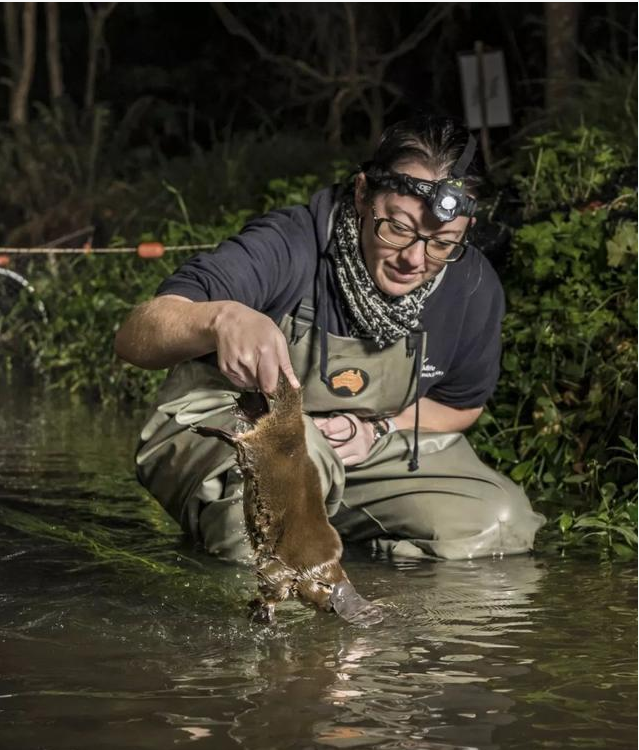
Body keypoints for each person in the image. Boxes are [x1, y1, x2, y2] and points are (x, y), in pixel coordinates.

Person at [114, 115, 545, 563]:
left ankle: (340, 560)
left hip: (362, 454)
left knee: (500, 524)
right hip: (242, 433)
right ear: (362, 194)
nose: (414, 259)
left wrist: (376, 430)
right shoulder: (290, 243)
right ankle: (250, 564)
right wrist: (221, 318)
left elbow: (461, 405)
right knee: (289, 485)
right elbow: (135, 336)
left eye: (441, 242)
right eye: (397, 228)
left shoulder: (472, 285)